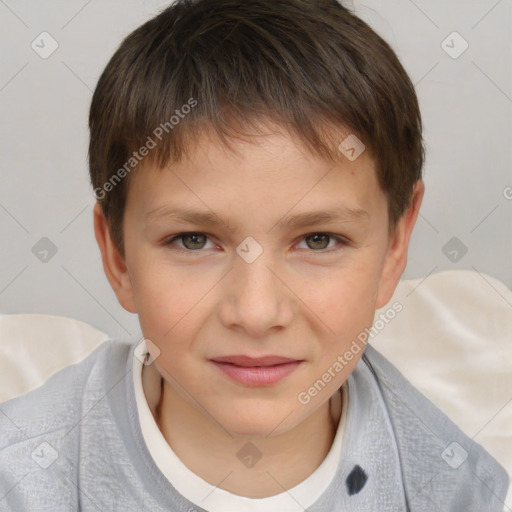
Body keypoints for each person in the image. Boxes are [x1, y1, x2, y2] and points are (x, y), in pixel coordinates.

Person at [0, 0, 508, 510]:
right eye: (194, 240)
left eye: (318, 240)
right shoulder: (23, 478)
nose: (257, 312)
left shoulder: (458, 489)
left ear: (395, 245)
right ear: (117, 255)